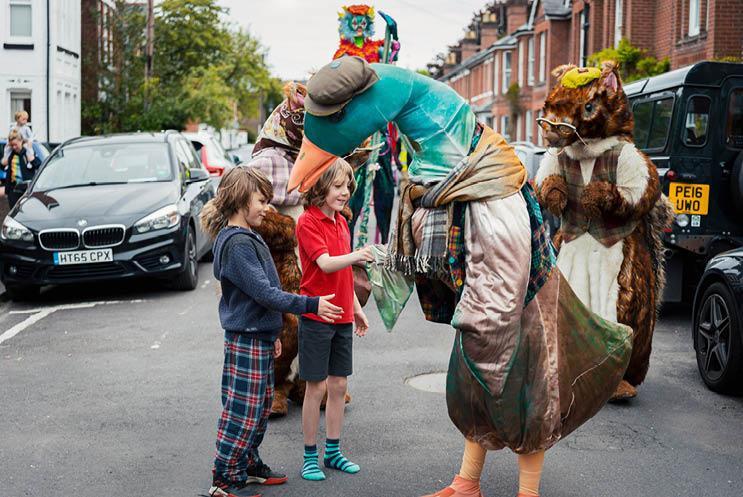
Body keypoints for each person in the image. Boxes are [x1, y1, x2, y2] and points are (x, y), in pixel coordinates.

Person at [199, 166, 343, 497]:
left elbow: (261, 298)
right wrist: (311, 304)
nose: (268, 207)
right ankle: (224, 476)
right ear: (238, 200)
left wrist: (273, 333)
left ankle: (248, 464)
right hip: (246, 338)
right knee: (243, 410)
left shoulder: (248, 237)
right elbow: (265, 293)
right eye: (261, 200)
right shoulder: (237, 243)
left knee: (260, 405)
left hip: (258, 336)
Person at [295, 158, 374, 481]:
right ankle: (310, 456)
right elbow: (327, 263)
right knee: (315, 387)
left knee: (339, 385)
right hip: (317, 314)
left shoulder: (341, 222)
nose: (344, 193)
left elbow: (342, 272)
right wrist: (358, 256)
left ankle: (333, 452)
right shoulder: (307, 222)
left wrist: (356, 307)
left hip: (341, 313)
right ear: (320, 187)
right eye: (337, 186)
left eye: (347, 187)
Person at [1, 129, 40, 209]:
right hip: (13, 191)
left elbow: (38, 165)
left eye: (16, 144)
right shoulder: (11, 154)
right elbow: (3, 166)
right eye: (12, 145)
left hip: (26, 190)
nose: (14, 147)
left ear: (21, 141)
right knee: (14, 212)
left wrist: (31, 159)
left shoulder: (28, 152)